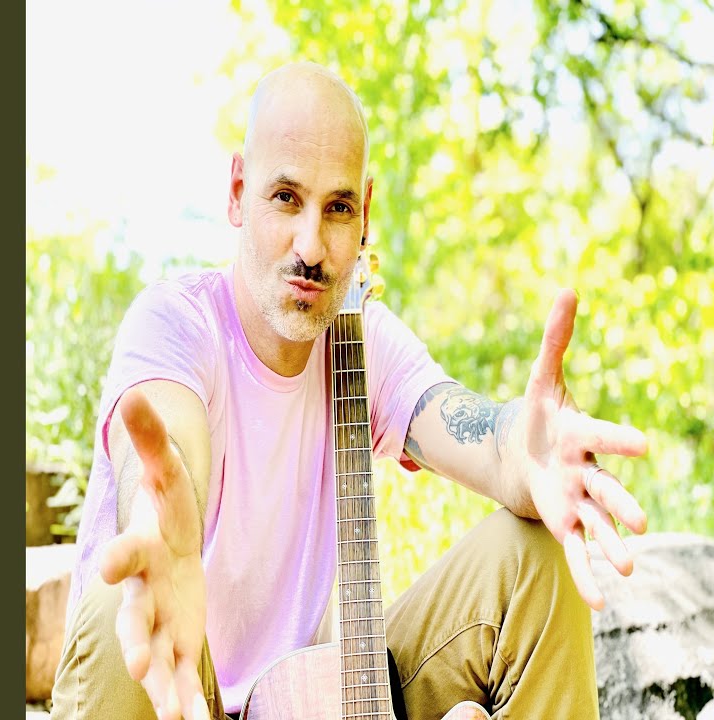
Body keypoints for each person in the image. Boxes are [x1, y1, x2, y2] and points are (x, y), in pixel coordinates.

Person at [50, 61, 650, 720]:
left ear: (364, 215)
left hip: (310, 704)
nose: (311, 247)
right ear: (238, 192)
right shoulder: (176, 324)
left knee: (535, 553)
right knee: (132, 592)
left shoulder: (362, 341)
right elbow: (168, 447)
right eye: (286, 198)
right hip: (180, 691)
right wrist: (161, 525)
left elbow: (472, 433)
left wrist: (526, 452)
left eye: (336, 209)